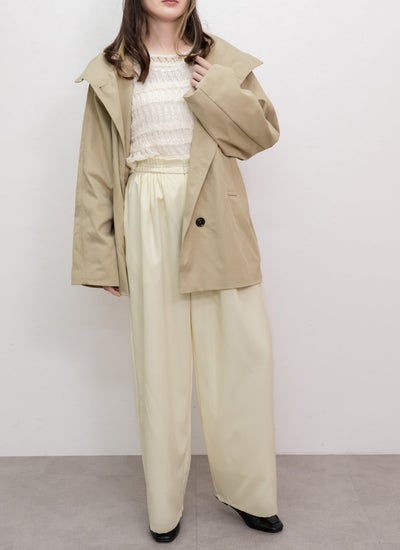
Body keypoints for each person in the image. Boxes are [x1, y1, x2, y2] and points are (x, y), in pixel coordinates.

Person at [71, 0, 283, 543]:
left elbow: (260, 137)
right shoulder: (112, 69)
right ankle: (164, 505)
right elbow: (96, 170)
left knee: (242, 360)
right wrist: (101, 254)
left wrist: (218, 88)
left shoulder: (221, 61)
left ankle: (250, 491)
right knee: (160, 367)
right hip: (146, 215)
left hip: (217, 215)